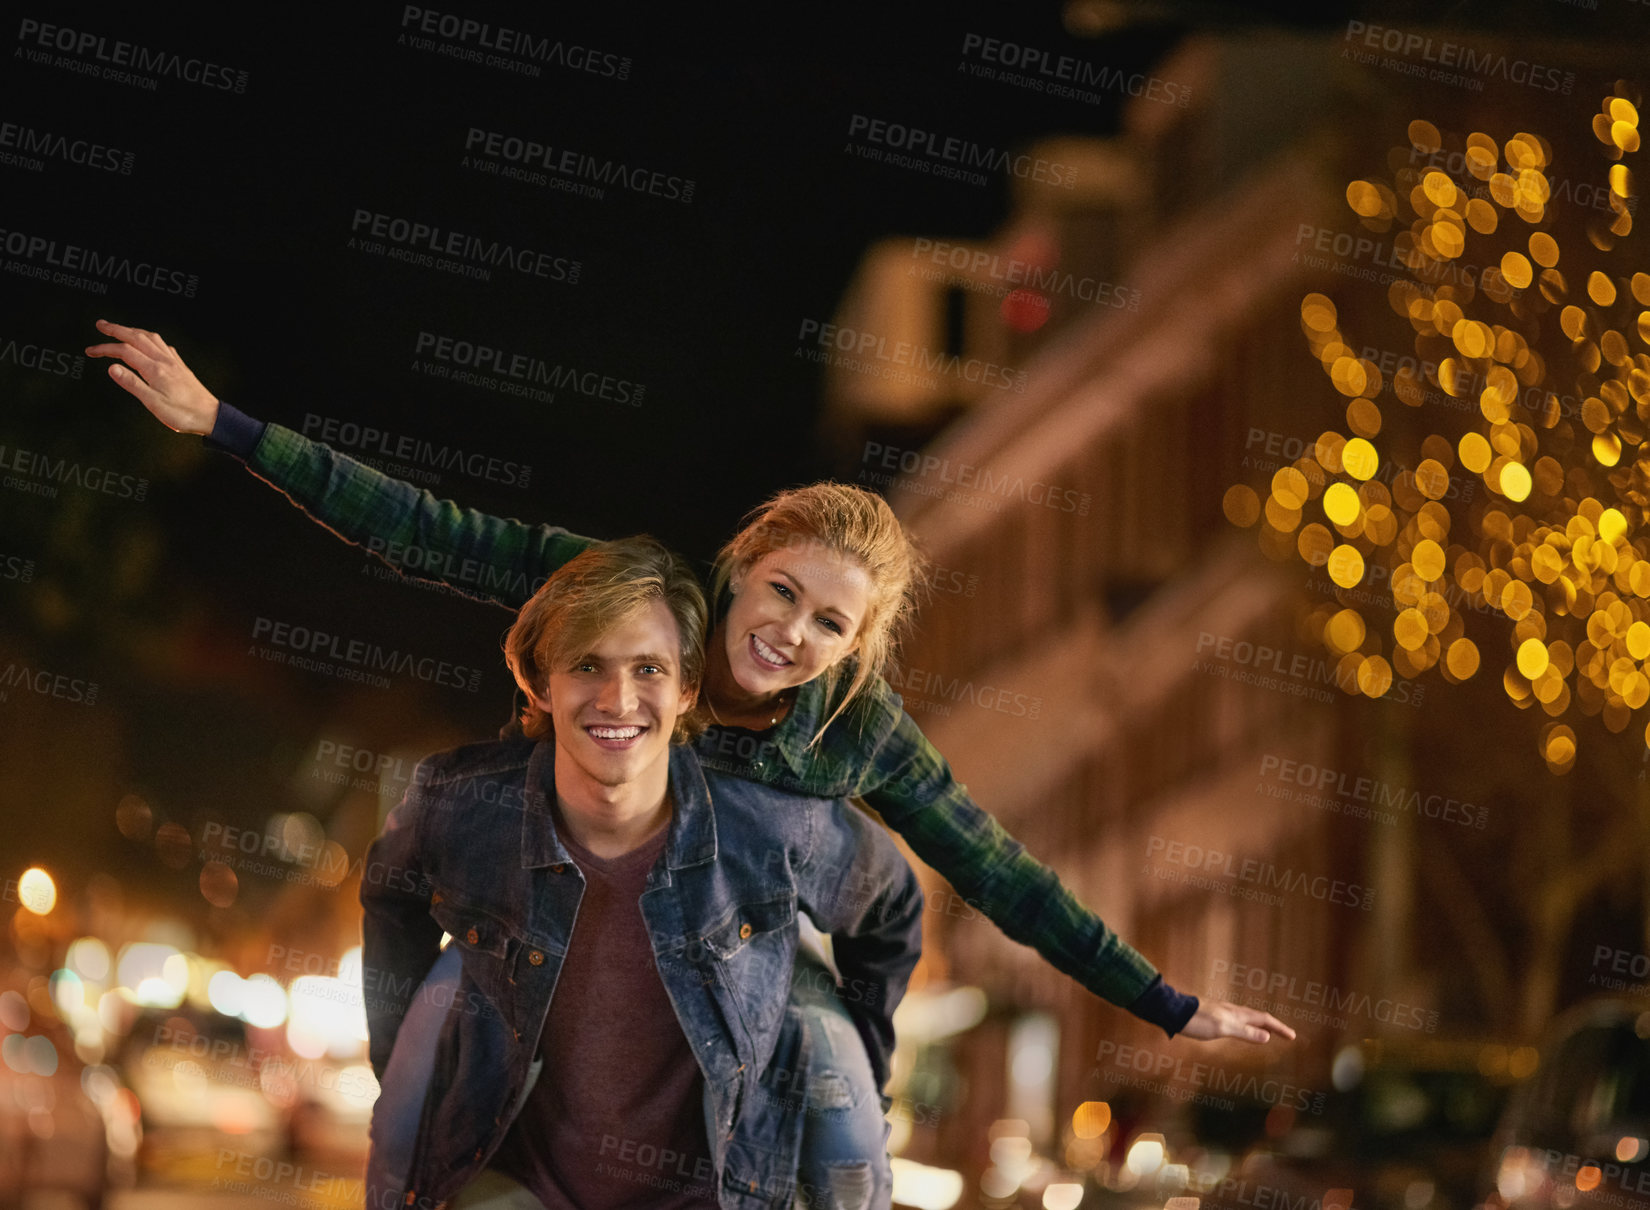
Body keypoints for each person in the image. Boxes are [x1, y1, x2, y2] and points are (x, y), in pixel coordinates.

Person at [87, 320, 1294, 1191]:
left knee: (829, 1065)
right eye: (783, 593)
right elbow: (426, 531)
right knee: (442, 1027)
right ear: (738, 563)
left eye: (833, 625)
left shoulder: (855, 727)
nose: (793, 634)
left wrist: (1167, 1001)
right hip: (551, 895)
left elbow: (1000, 872)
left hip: (733, 960)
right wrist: (225, 426)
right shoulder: (635, 598)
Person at [361, 535, 924, 1209]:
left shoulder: (775, 830)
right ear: (541, 682)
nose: (619, 700)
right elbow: (391, 900)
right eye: (588, 665)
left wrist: (854, 1070)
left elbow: (893, 909)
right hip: (512, 1184)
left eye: (650, 670)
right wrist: (406, 1064)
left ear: (689, 688)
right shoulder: (459, 807)